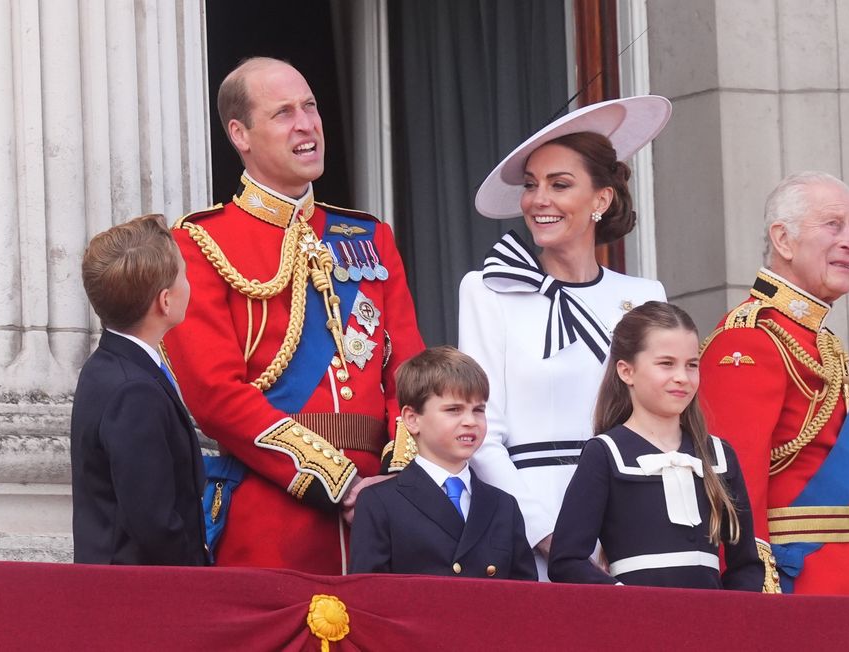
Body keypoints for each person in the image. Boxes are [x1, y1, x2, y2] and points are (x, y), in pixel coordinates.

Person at [161, 57, 424, 573]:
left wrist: (397, 479)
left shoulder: (370, 237)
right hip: (271, 512)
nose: (306, 124)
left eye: (310, 107)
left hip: (386, 513)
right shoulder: (199, 243)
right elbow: (214, 394)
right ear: (240, 133)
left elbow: (411, 373)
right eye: (284, 113)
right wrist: (339, 480)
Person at [459, 96, 671, 578]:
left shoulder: (644, 296)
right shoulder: (488, 289)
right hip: (527, 530)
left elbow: (660, 424)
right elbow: (481, 431)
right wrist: (551, 536)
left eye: (560, 185)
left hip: (631, 522)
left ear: (601, 198)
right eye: (532, 186)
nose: (539, 200)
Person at [699, 171, 849, 596]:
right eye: (833, 225)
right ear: (783, 239)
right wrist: (755, 600)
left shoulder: (825, 346)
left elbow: (845, 510)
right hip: (796, 597)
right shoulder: (749, 340)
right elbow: (731, 493)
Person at [547, 302, 762, 589]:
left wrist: (732, 619)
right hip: (636, 625)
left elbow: (745, 564)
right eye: (666, 364)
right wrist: (623, 602)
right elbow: (566, 561)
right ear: (626, 371)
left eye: (692, 365)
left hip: (712, 626)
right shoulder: (605, 453)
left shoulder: (719, 456)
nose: (682, 378)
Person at [71, 214, 207, 566]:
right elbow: (154, 523)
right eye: (184, 274)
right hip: (143, 597)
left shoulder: (107, 365)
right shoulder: (134, 393)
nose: (188, 283)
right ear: (164, 302)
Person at [348, 346, 537, 580]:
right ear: (412, 419)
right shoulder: (379, 502)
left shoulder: (504, 506)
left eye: (478, 410)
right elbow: (369, 596)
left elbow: (526, 598)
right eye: (454, 410)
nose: (470, 421)